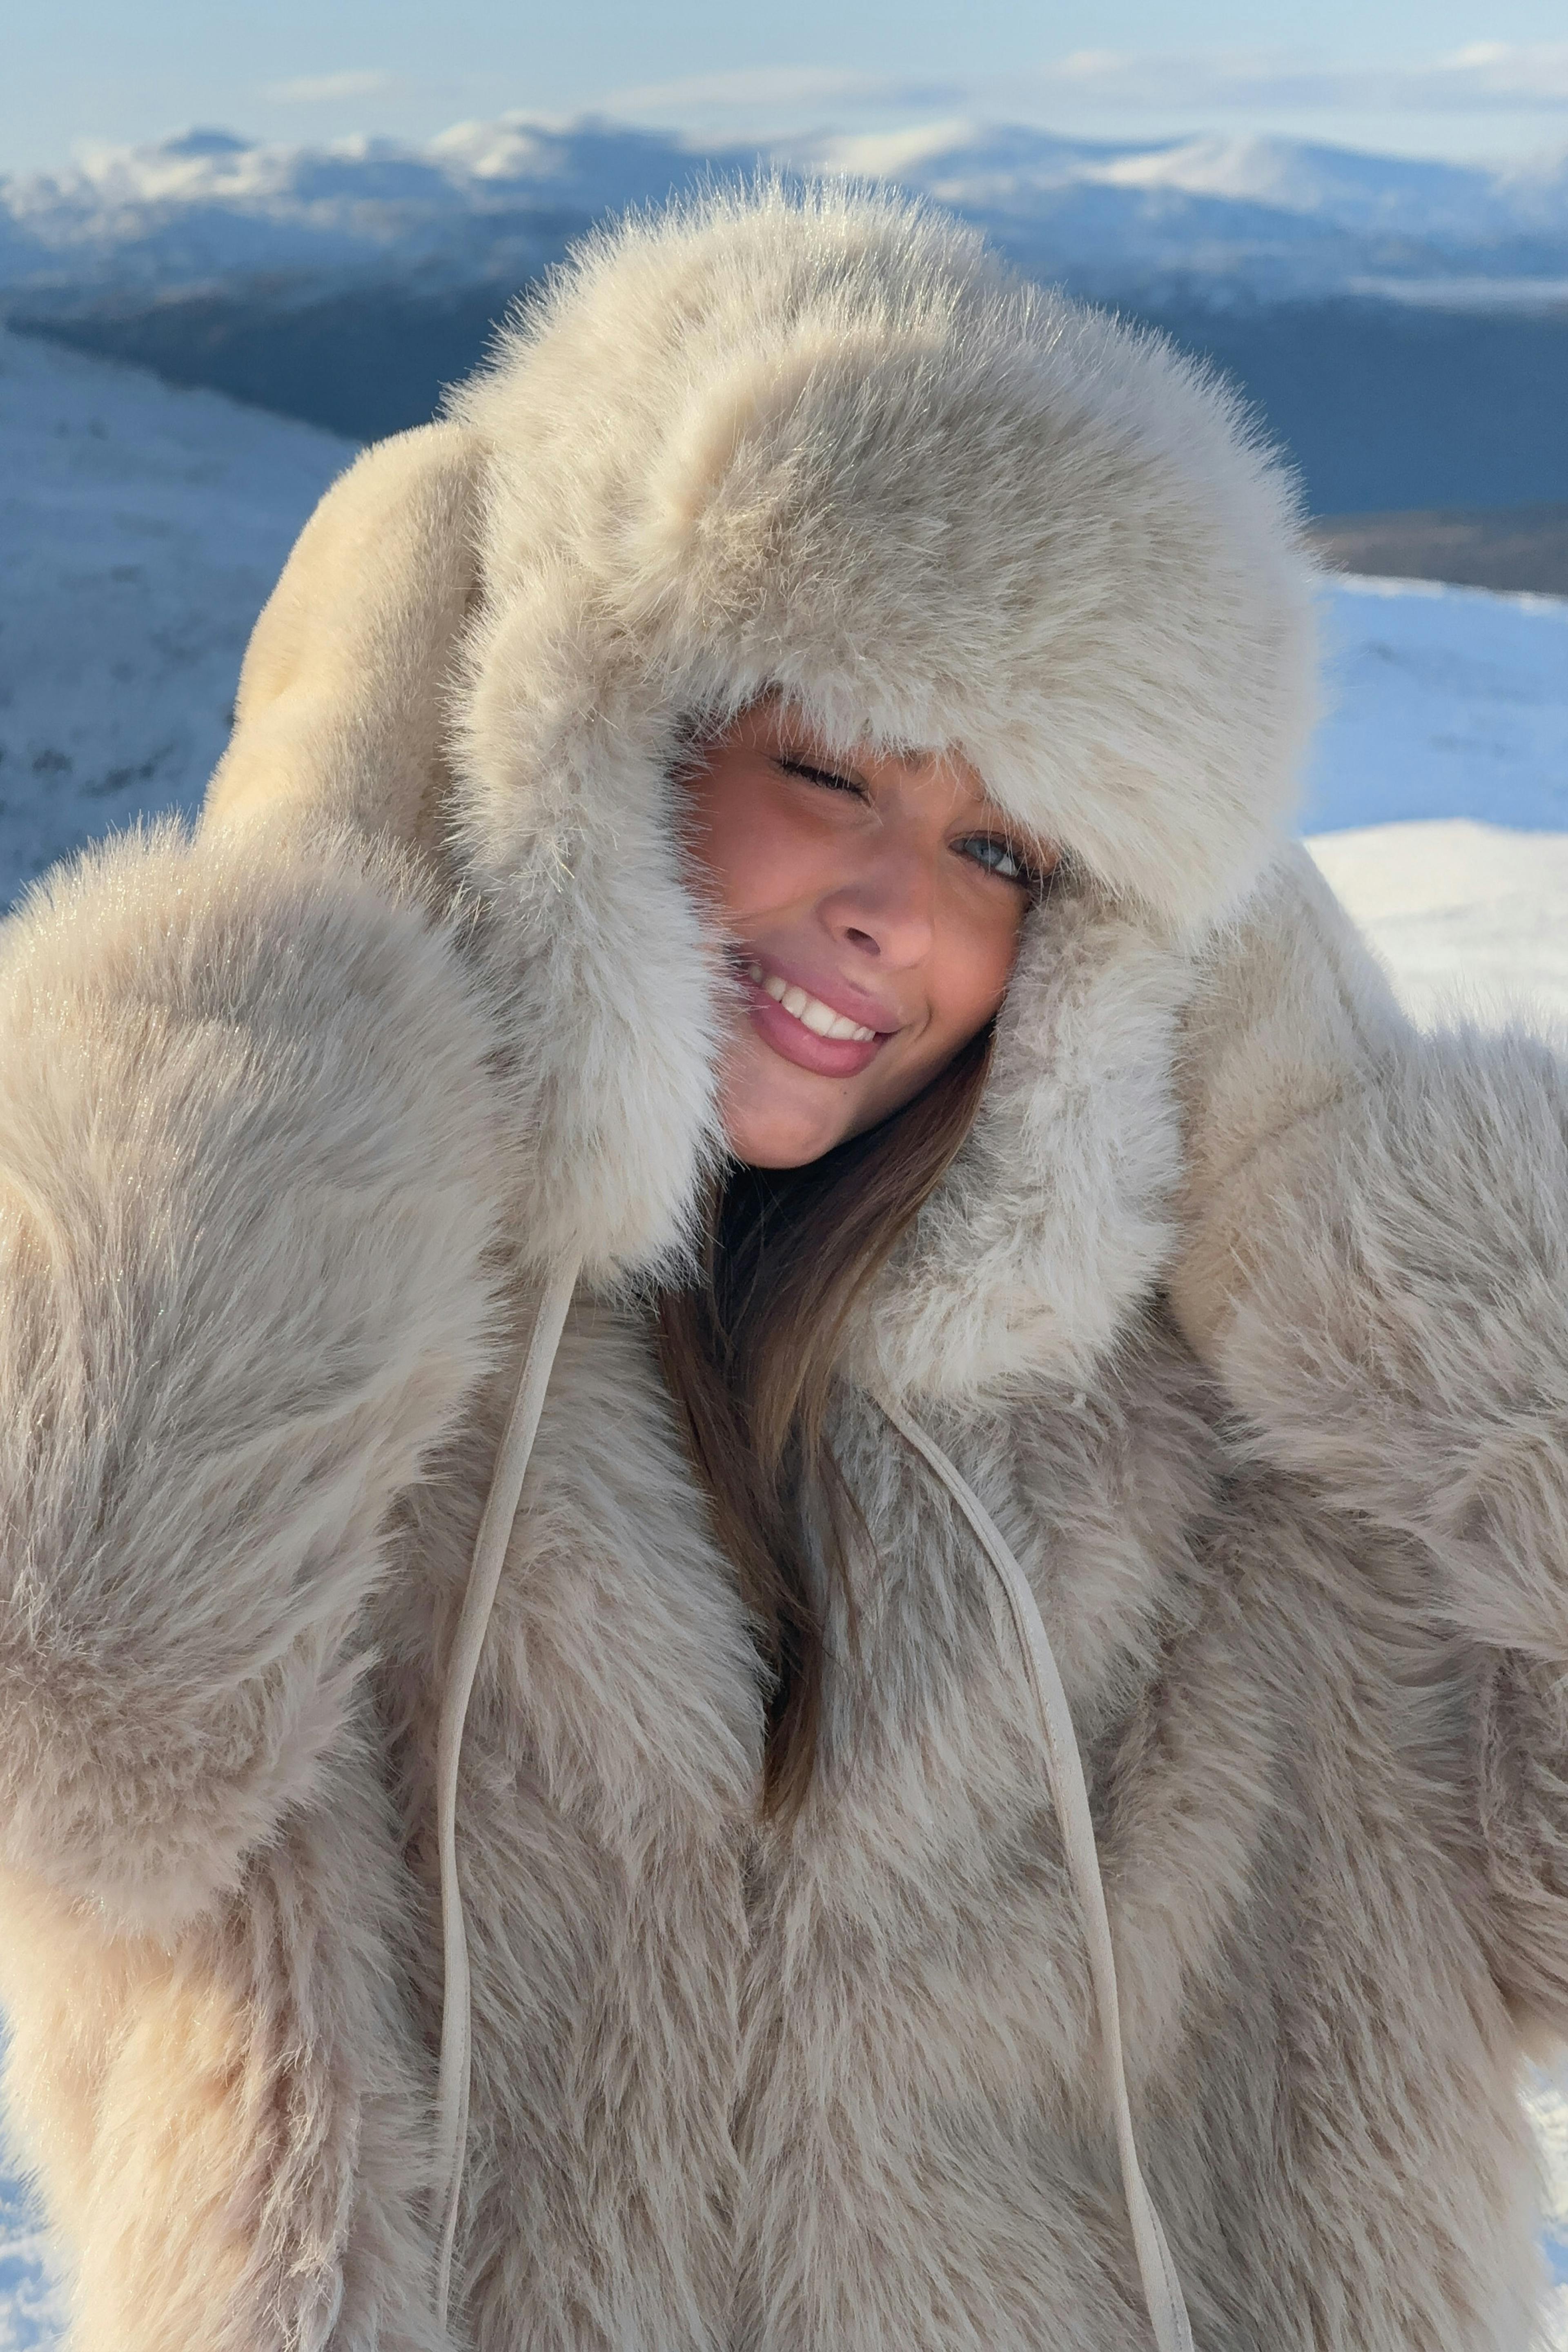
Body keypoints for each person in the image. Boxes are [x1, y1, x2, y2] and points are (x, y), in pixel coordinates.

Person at [0, 181, 1563, 2352]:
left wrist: (1358, 1168)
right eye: (827, 769)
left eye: (1004, 848)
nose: (896, 915)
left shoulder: (1211, 1445)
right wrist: (334, 845)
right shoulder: (325, 1358)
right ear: (591, 742)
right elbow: (77, 1714)